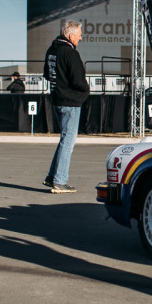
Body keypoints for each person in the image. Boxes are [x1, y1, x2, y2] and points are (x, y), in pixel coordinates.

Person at [44, 20, 90, 194]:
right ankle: (59, 180)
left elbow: (48, 75)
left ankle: (52, 177)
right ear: (71, 36)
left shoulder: (52, 50)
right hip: (70, 102)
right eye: (79, 35)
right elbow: (79, 80)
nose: (80, 38)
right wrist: (86, 90)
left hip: (56, 99)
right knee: (68, 141)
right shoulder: (71, 54)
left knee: (64, 139)